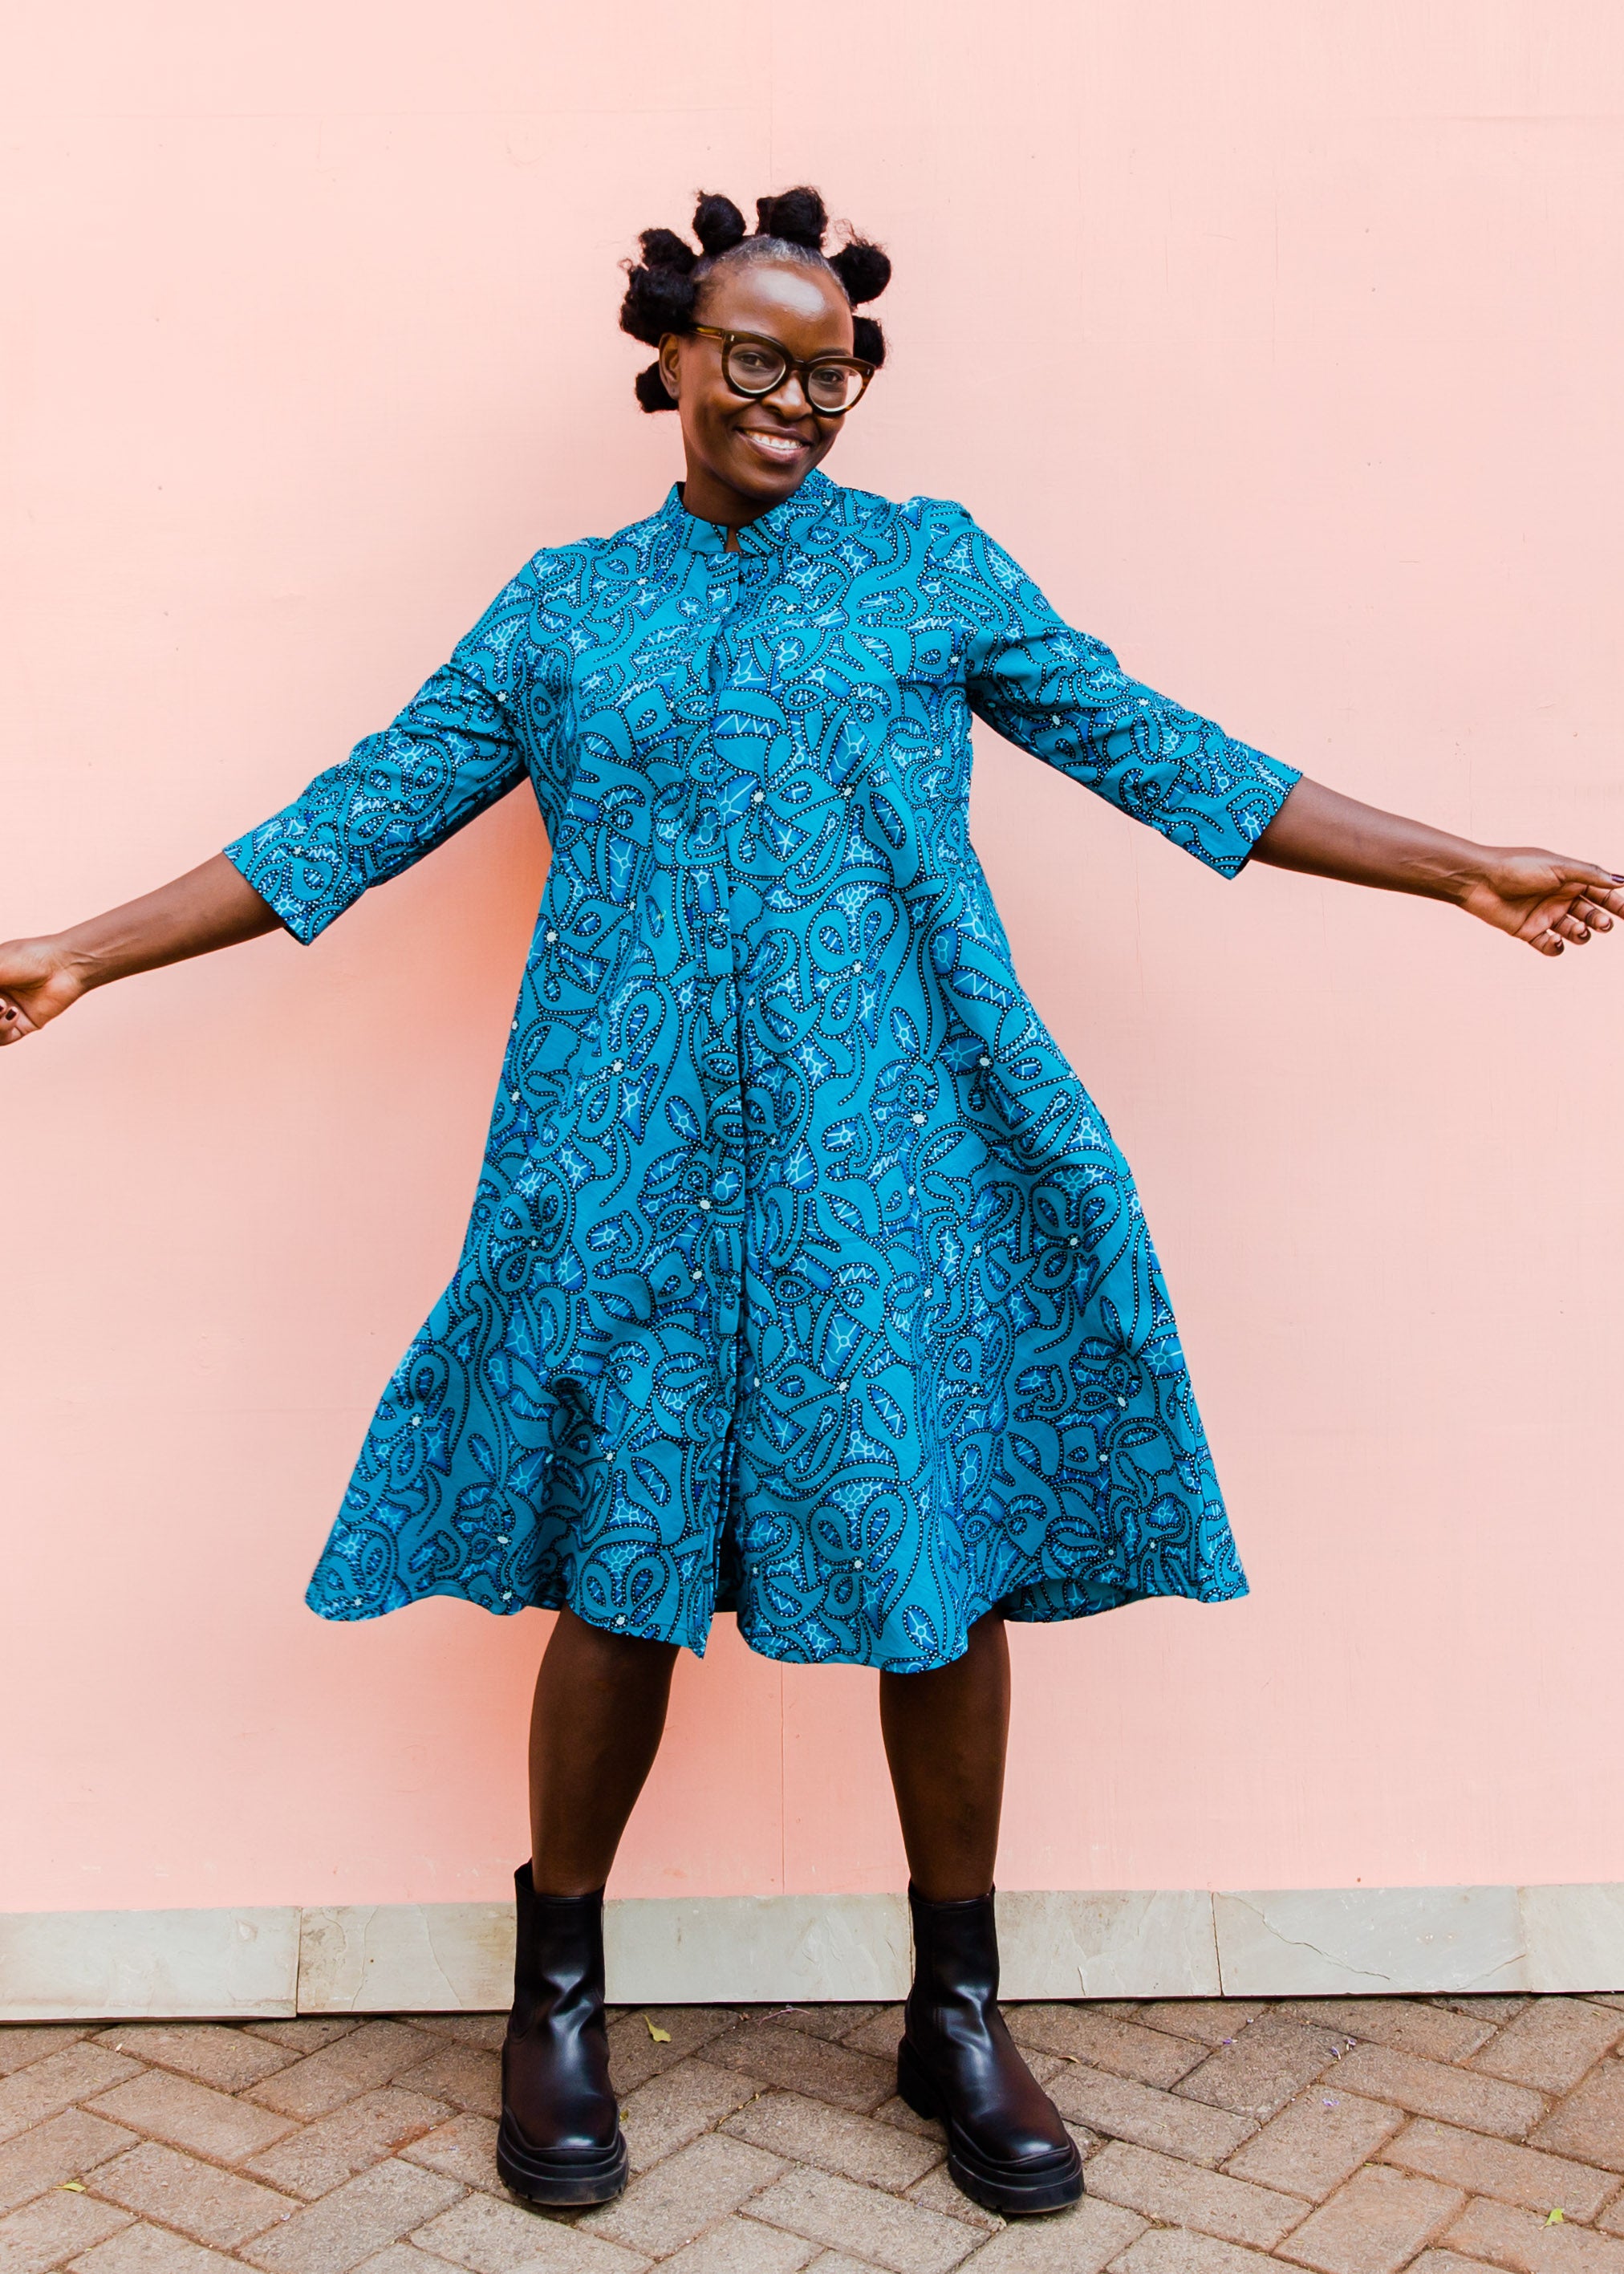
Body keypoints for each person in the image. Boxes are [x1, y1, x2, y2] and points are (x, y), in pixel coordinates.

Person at [4, 183, 1618, 2222]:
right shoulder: (565, 610)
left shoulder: (930, 570)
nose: (792, 399)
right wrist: (79, 950)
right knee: (618, 1562)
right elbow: (356, 816)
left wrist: (1459, 864)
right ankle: (558, 2000)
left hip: (903, 1150)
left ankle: (958, 2011)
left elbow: (1169, 757)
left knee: (930, 1552)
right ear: (669, 361)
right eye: (754, 361)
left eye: (830, 374)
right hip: (621, 1159)